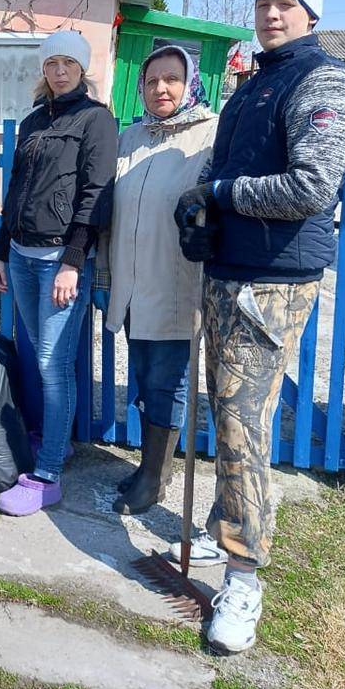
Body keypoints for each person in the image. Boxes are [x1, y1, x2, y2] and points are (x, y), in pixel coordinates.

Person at [174, 0, 345, 654]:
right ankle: (228, 513)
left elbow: (310, 186)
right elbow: (218, 169)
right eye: (264, 4)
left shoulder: (326, 82)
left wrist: (220, 195)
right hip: (227, 269)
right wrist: (197, 199)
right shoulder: (255, 85)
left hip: (273, 279)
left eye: (285, 5)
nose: (272, 15)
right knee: (227, 411)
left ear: (311, 15)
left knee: (242, 423)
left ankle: (244, 577)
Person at [0, 30, 116, 516]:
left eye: (67, 63)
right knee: (33, 355)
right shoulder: (33, 121)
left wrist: (72, 262)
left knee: (51, 362)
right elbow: (17, 188)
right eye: (51, 64)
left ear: (82, 69)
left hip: (59, 260)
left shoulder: (96, 120)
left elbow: (95, 194)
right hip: (21, 256)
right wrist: (1, 251)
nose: (59, 71)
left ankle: (47, 477)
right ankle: (52, 442)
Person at [101, 45, 218, 516]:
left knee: (169, 381)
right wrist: (105, 275)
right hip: (131, 284)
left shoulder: (211, 135)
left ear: (189, 84)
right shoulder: (130, 137)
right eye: (151, 81)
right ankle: (155, 467)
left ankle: (153, 478)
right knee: (146, 378)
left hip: (175, 283)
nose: (160, 88)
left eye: (171, 79)